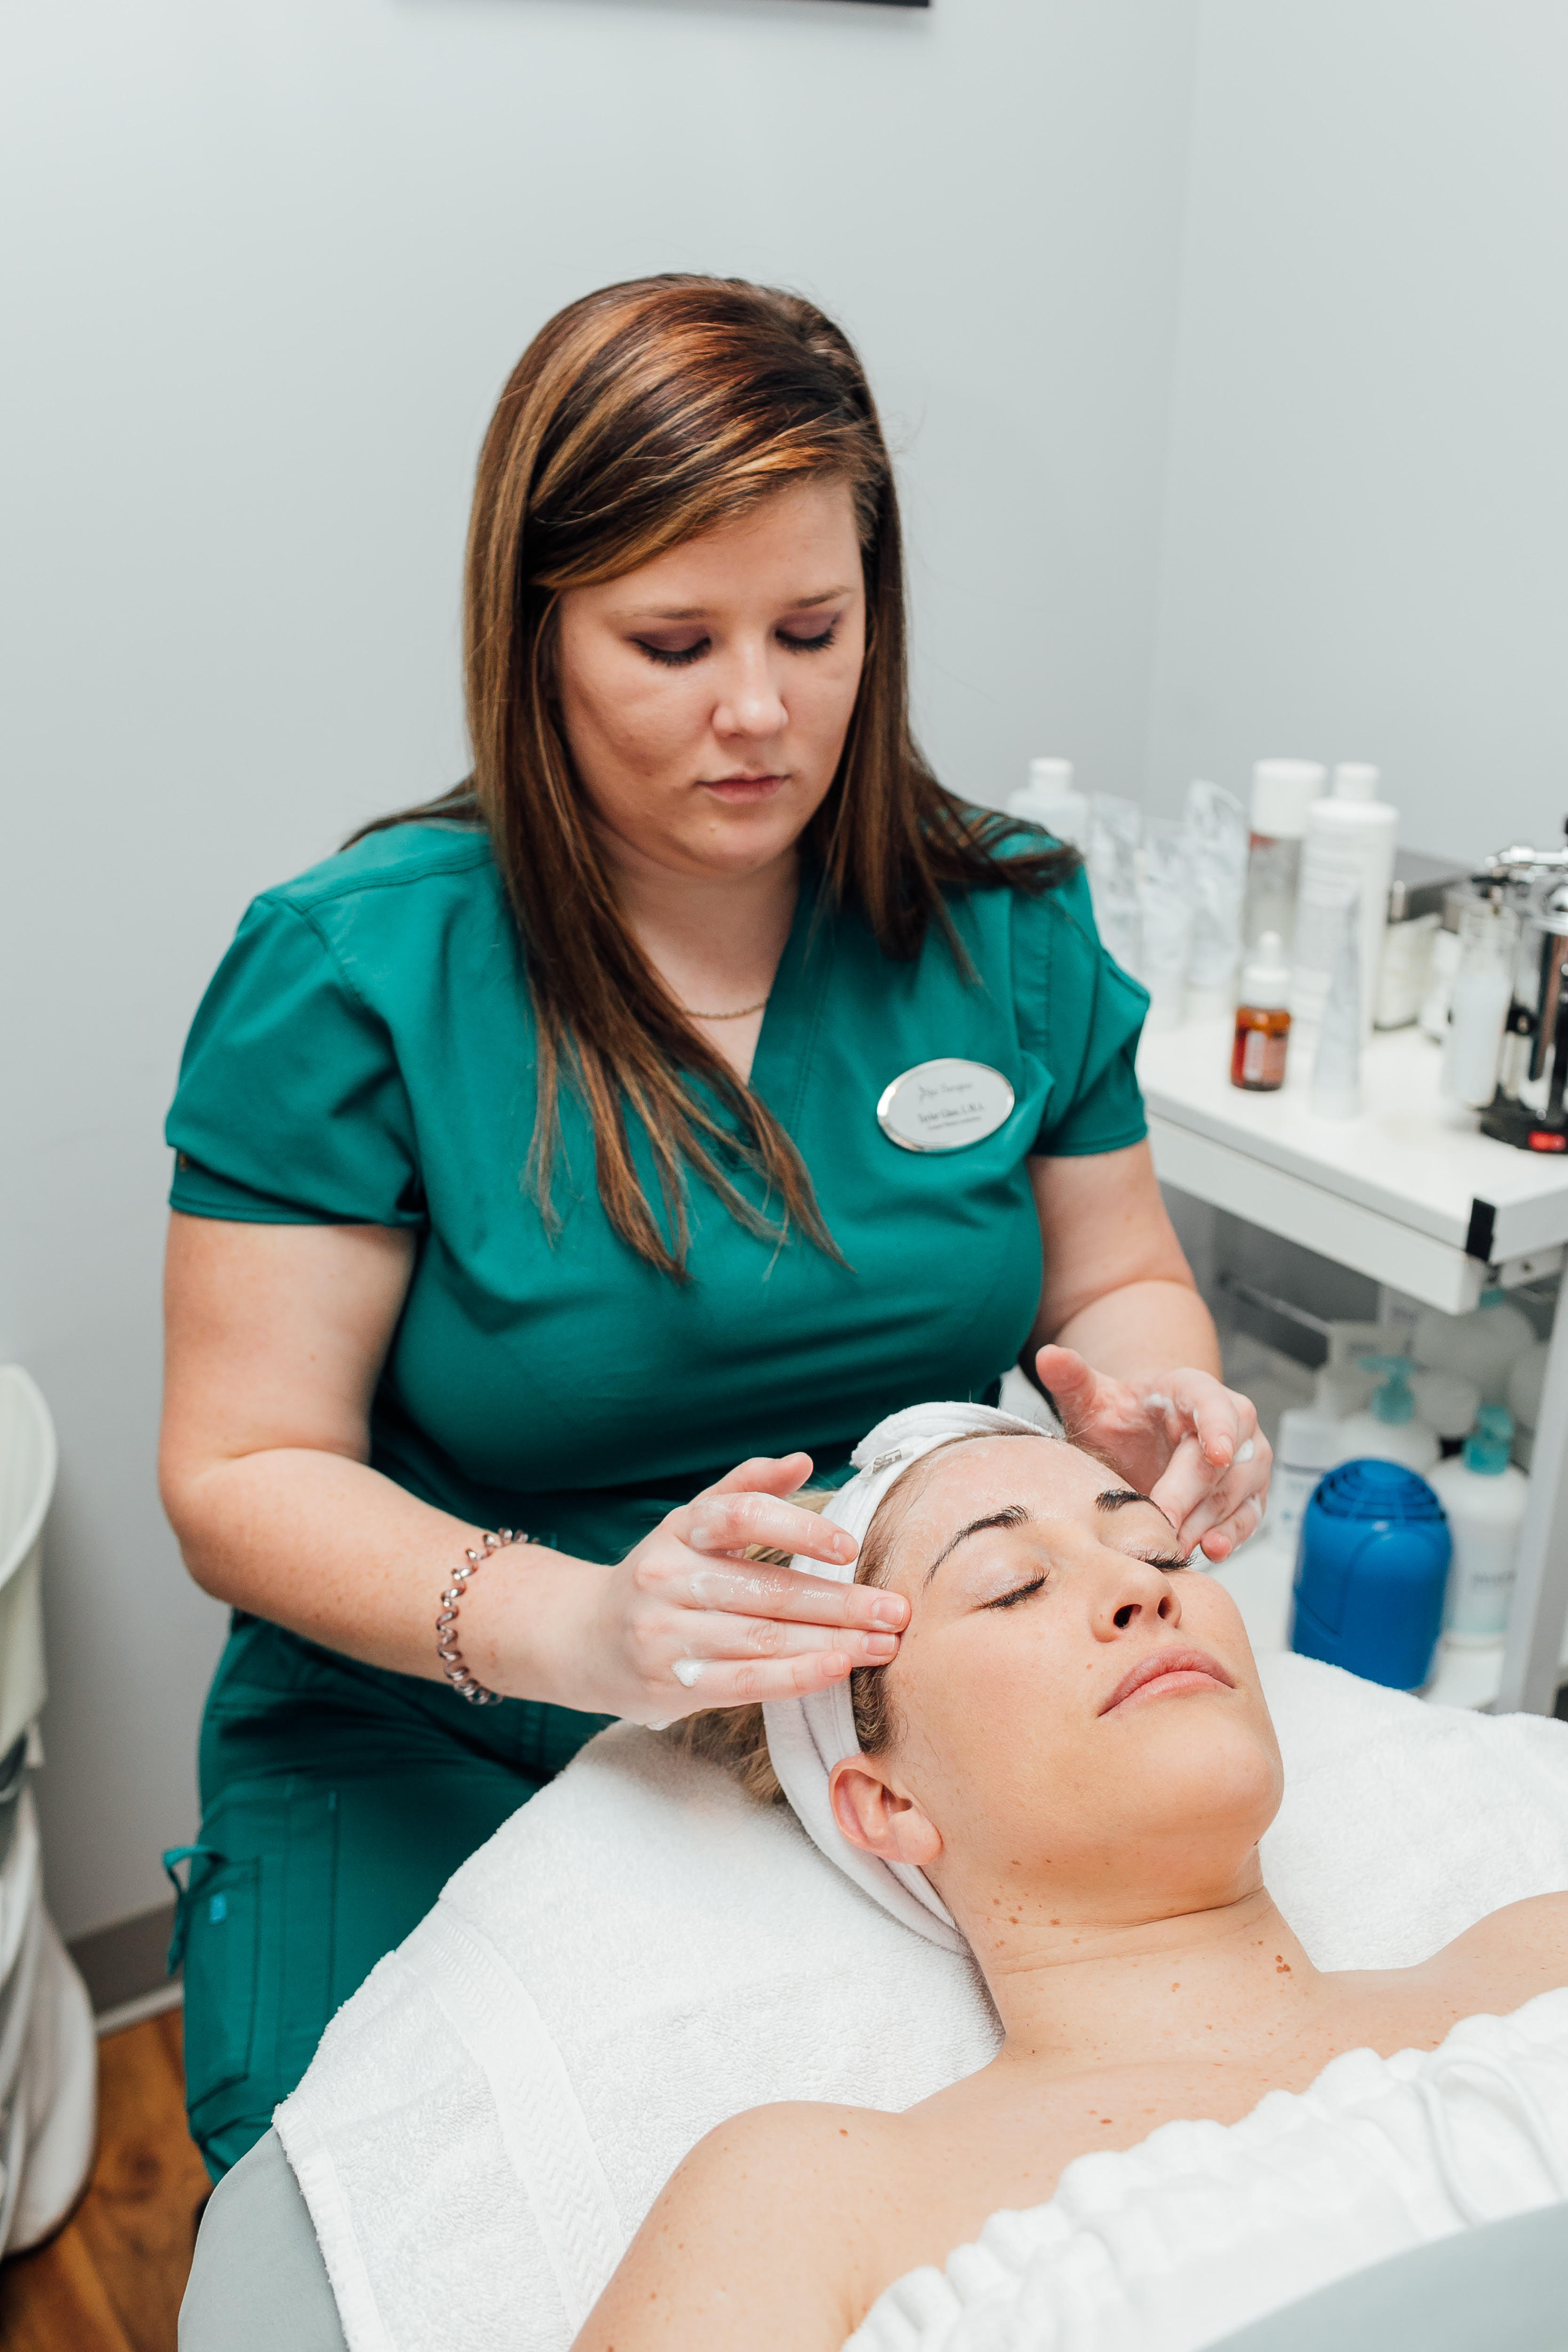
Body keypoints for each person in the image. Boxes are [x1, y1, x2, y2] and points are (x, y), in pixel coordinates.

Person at [157, 273, 1269, 2178]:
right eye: (669, 640)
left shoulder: (998, 921)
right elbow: (242, 1468)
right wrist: (591, 1625)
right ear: (538, 637)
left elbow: (1120, 1279)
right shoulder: (355, 970)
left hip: (876, 1741)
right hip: (440, 1724)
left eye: (810, 630)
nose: (756, 710)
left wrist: (1151, 1407)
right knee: (400, 2204)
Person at [577, 1419, 1568, 2352]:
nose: (1145, 1593)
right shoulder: (812, 2204)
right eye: (1011, 1585)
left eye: (1159, 1553)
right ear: (885, 1804)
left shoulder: (1542, 1958)